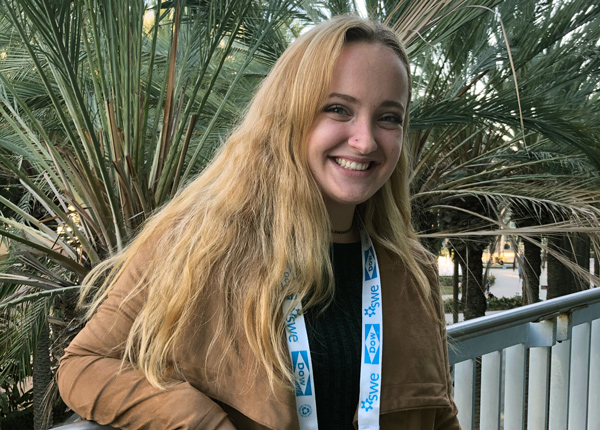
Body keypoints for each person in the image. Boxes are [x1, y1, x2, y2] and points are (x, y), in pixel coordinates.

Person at [57, 16, 459, 430]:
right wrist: (200, 421)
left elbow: (441, 415)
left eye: (389, 117)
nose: (366, 140)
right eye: (338, 109)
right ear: (289, 115)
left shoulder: (413, 273)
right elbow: (83, 366)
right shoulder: (200, 246)